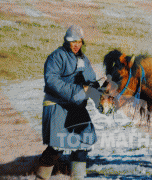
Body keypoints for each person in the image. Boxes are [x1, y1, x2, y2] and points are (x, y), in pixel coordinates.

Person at [36, 25, 100, 180]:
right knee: (57, 146)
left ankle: (77, 177)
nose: (76, 45)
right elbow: (51, 81)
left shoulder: (83, 59)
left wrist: (98, 89)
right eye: (73, 42)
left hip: (76, 107)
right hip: (57, 105)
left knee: (83, 142)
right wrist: (77, 90)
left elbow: (91, 81)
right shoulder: (56, 57)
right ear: (66, 41)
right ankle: (41, 177)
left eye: (79, 41)